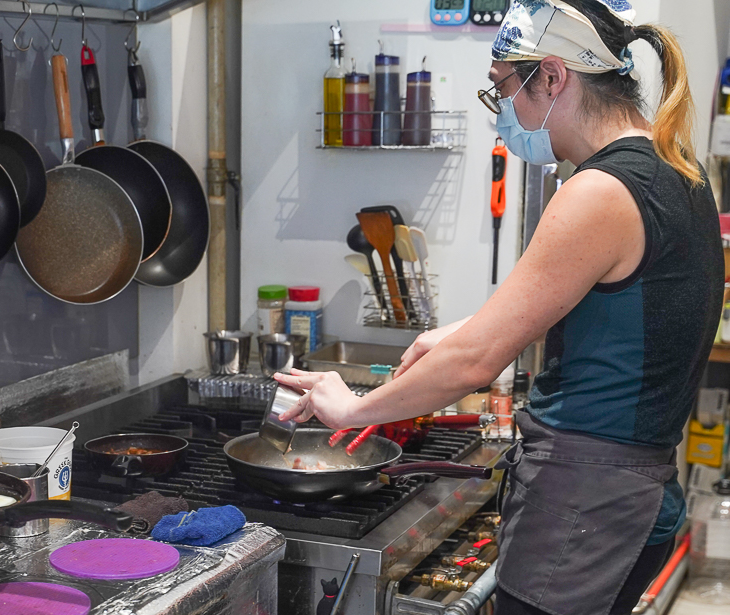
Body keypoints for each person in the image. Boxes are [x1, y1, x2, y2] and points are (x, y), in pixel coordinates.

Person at [274, 1, 724, 614]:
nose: (502, 114)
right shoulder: (678, 171)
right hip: (637, 497)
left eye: (502, 90)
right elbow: (613, 307)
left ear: (553, 76)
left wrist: (353, 409)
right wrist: (459, 331)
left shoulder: (599, 192)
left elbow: (475, 364)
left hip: (584, 510)